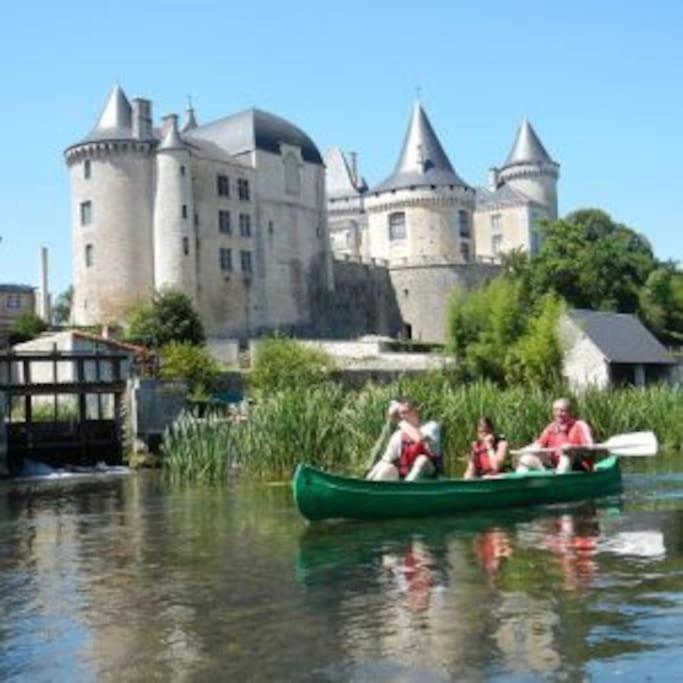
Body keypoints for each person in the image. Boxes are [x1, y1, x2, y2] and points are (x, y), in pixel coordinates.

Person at [366, 398, 441, 482]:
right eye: (399, 414)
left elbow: (419, 439)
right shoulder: (397, 435)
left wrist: (398, 420)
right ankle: (374, 489)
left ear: (416, 411)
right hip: (406, 475)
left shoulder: (431, 426)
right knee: (387, 467)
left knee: (422, 459)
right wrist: (367, 480)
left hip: (429, 473)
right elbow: (385, 460)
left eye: (404, 412)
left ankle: (407, 487)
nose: (401, 416)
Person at [516, 398, 594, 474]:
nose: (558, 414)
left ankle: (560, 483)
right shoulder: (551, 427)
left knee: (566, 456)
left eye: (562, 411)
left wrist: (573, 448)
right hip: (556, 466)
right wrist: (524, 450)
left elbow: (590, 450)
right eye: (556, 410)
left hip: (578, 466)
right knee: (525, 458)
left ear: (570, 412)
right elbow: (538, 445)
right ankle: (520, 484)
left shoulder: (580, 425)